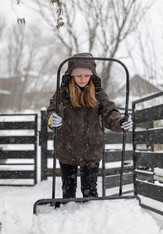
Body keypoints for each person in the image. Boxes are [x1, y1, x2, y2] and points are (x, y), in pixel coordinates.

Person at [46, 52, 132, 199]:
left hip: (91, 147)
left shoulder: (98, 93)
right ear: (71, 75)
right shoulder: (63, 92)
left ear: (92, 76)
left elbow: (110, 112)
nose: (82, 79)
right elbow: (53, 109)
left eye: (86, 76)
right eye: (78, 75)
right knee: (68, 189)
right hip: (67, 146)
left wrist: (120, 121)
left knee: (90, 190)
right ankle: (67, 216)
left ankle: (91, 217)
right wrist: (52, 119)